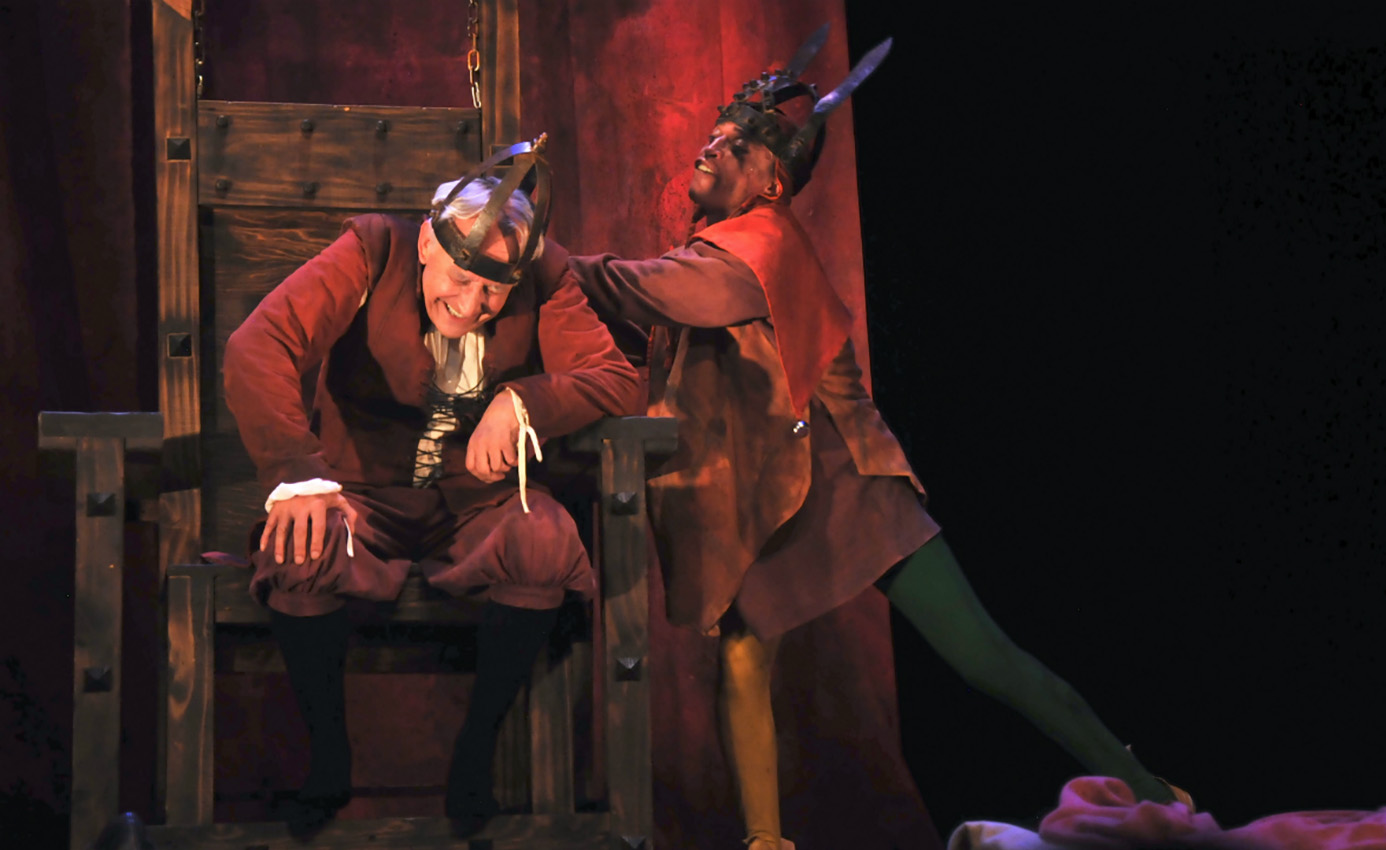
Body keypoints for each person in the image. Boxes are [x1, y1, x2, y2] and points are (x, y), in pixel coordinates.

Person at [542, 32, 1188, 850]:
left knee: (981, 654)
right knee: (744, 650)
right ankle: (765, 843)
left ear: (770, 181)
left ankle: (1156, 797)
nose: (712, 146)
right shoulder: (717, 249)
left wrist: (536, 255)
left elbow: (640, 290)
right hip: (775, 488)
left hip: (844, 474)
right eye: (714, 134)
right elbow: (660, 329)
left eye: (735, 145)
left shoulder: (759, 246)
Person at [222, 139, 642, 835]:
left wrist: (524, 401)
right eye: (461, 277)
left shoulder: (545, 274)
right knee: (301, 546)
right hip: (358, 494)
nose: (472, 304)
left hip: (473, 504)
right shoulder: (374, 250)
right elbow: (259, 344)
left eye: (493, 290)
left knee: (544, 540)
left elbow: (615, 377)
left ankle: (475, 755)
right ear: (427, 243)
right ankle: (329, 754)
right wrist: (299, 475)